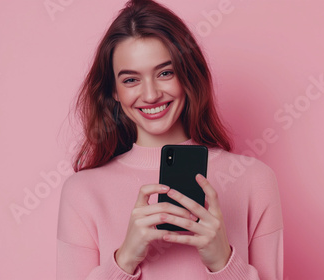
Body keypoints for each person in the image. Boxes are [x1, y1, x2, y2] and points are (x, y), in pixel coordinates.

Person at [56, 0, 283, 279]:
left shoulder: (255, 180)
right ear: (113, 91)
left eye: (165, 73)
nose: (150, 95)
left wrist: (223, 261)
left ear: (187, 75)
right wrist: (125, 259)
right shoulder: (82, 192)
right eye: (130, 80)